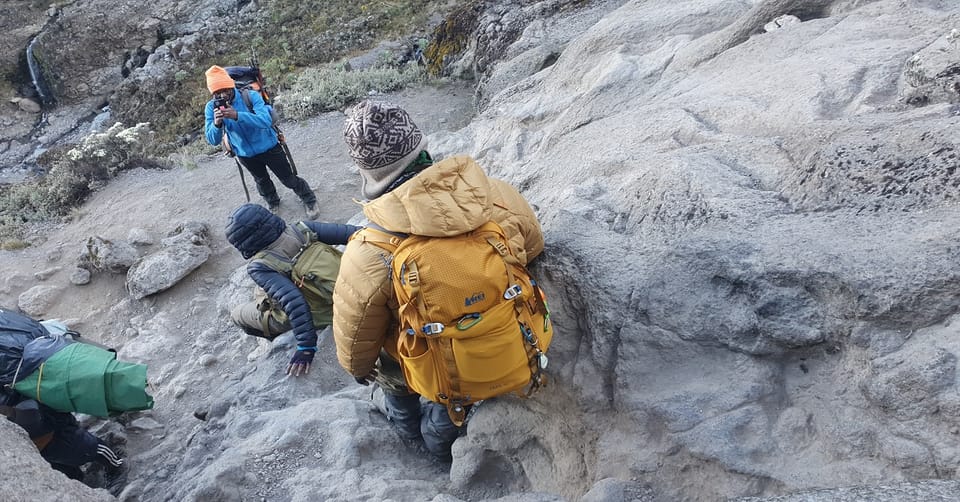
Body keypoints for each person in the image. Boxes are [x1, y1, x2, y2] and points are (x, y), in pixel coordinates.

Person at [331, 101, 545, 459]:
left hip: (422, 366)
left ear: (367, 173)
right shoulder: (495, 194)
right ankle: (447, 437)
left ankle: (420, 445)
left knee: (399, 390)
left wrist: (359, 369)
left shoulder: (368, 252)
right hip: (503, 338)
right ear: (421, 147)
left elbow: (356, 336)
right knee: (451, 411)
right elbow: (534, 247)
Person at [225, 203, 360, 376]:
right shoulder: (302, 228)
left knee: (237, 314)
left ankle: (272, 339)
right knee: (266, 290)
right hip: (346, 284)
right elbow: (354, 233)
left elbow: (294, 301)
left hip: (322, 309)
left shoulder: (259, 267)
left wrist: (306, 346)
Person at [203, 65, 320, 219]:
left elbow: (265, 120)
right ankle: (273, 202)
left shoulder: (250, 96)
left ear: (231, 85)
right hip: (245, 153)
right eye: (218, 93)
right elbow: (212, 140)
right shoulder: (211, 108)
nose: (223, 95)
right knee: (261, 181)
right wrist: (217, 123)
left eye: (225, 89)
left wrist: (238, 115)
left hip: (270, 147)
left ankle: (309, 199)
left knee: (288, 178)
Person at [1, 387, 123, 480]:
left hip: (52, 432)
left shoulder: (13, 384)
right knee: (65, 469)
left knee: (91, 447)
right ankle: (81, 481)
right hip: (37, 446)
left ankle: (117, 465)